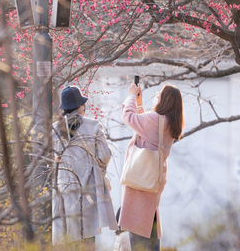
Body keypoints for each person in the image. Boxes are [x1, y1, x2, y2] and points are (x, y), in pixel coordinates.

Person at [119, 82, 185, 251]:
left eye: (159, 93)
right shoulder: (169, 123)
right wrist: (140, 105)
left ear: (165, 100)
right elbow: (146, 128)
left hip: (140, 181)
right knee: (150, 230)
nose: (157, 95)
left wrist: (132, 96)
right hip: (153, 182)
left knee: (138, 234)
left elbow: (128, 117)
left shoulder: (156, 119)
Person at [52, 86, 118, 250]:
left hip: (63, 191)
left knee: (67, 239)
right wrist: (99, 171)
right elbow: (105, 155)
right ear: (81, 106)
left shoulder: (53, 129)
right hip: (88, 191)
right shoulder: (93, 125)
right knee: (88, 240)